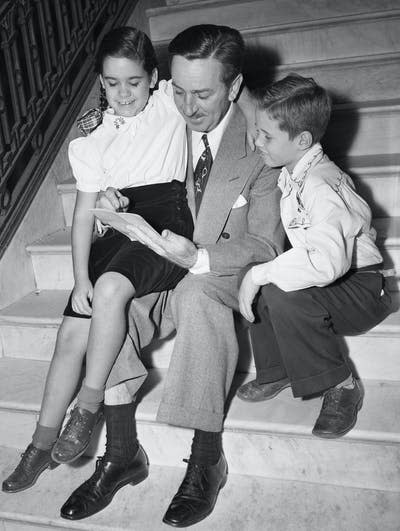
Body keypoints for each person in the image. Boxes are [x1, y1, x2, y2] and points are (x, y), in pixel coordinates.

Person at [57, 24, 284, 527]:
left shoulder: (261, 145)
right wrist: (113, 200)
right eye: (178, 91)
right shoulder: (161, 116)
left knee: (200, 295)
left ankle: (206, 459)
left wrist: (199, 259)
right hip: (158, 264)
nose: (188, 105)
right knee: (110, 306)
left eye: (203, 93)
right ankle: (121, 454)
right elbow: (117, 120)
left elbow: (267, 243)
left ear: (236, 86)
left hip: (213, 271)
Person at [2, 26, 193, 492]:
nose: (123, 93)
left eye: (134, 81)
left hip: (163, 223)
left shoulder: (170, 102)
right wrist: (78, 278)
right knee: (71, 330)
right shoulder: (90, 140)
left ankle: (86, 409)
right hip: (116, 224)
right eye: (112, 83)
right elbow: (86, 213)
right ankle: (40, 446)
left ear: (153, 77)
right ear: (100, 83)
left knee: (111, 289)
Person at [236, 73, 393, 438]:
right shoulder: (294, 171)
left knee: (273, 285)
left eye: (266, 135)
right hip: (340, 282)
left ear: (302, 140)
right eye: (257, 131)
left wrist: (262, 275)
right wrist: (257, 272)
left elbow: (325, 264)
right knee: (254, 271)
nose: (257, 140)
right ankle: (277, 370)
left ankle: (341, 385)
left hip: (360, 290)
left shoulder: (320, 184)